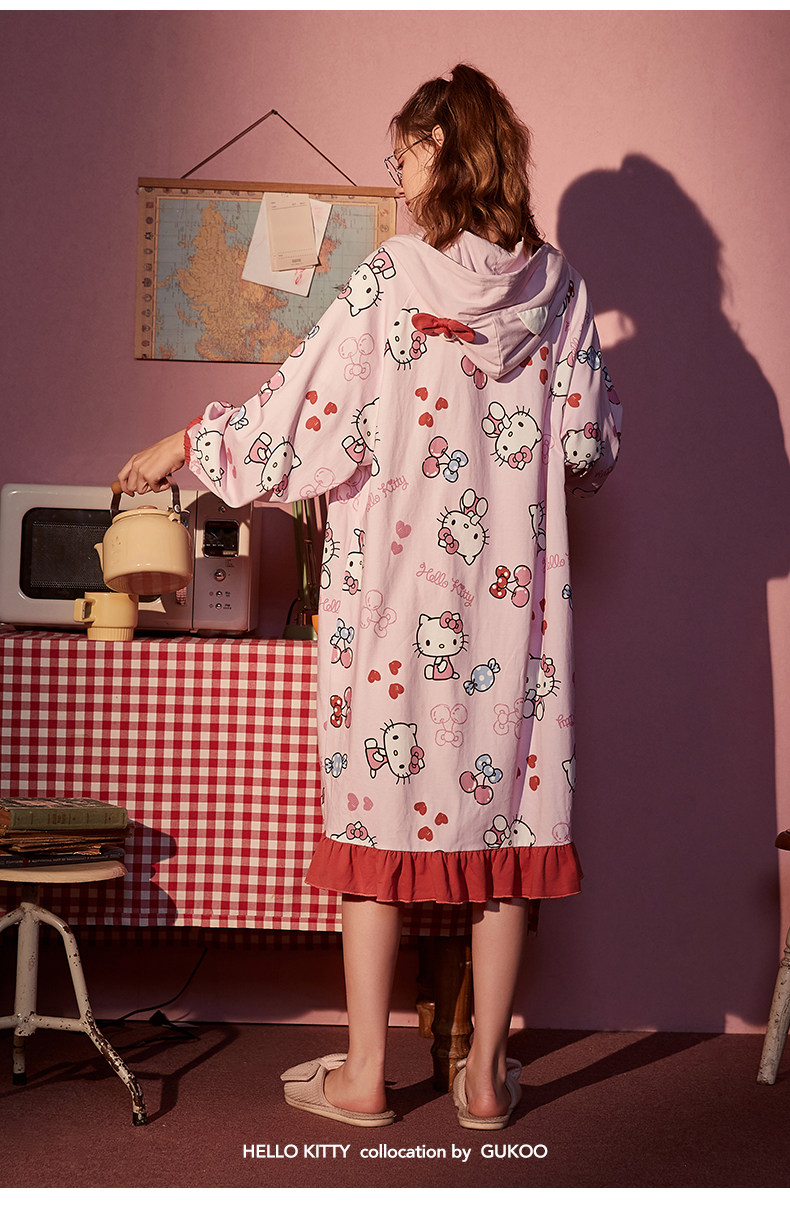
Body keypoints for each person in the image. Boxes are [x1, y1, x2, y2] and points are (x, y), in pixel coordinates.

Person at [118, 63, 622, 1130]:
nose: (395, 176)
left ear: (444, 150)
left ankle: (363, 1075)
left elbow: (300, 415)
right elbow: (589, 448)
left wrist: (184, 444)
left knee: (374, 826)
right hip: (513, 616)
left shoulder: (392, 277)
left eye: (403, 155)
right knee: (506, 832)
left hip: (391, 606)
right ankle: (484, 1079)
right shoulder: (564, 290)